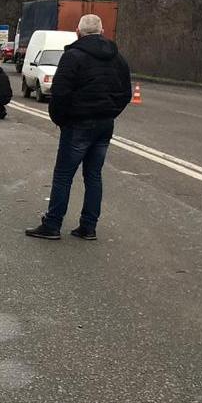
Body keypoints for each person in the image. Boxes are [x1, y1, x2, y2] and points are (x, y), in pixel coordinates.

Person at [26, 14, 131, 241]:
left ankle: (52, 225)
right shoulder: (117, 58)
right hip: (105, 124)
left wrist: (61, 119)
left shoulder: (73, 56)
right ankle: (88, 227)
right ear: (102, 32)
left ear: (78, 32)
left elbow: (60, 93)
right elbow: (126, 93)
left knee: (63, 175)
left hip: (78, 124)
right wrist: (110, 112)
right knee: (93, 175)